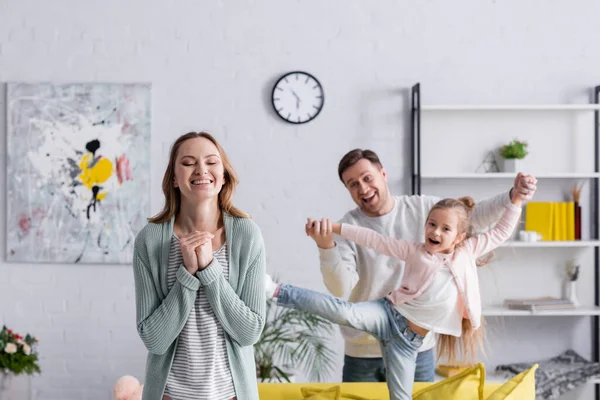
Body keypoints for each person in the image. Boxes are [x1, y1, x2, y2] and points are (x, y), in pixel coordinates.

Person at [268, 191, 527, 400]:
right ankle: (276, 290)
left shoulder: (467, 252)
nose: (435, 232)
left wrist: (515, 200)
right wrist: (336, 227)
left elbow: (500, 232)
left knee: (401, 397)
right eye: (431, 224)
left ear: (459, 237)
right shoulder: (414, 251)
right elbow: (372, 239)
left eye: (445, 229)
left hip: (408, 343)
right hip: (387, 315)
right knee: (343, 311)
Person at [307, 149, 537, 383]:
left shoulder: (424, 209)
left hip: (417, 346)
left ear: (383, 173)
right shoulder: (348, 226)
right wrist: (326, 247)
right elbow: (341, 288)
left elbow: (474, 216)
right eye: (353, 184)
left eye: (367, 178)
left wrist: (513, 197)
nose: (363, 189)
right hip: (364, 352)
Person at [132, 132, 266, 400]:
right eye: (188, 162)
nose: (201, 170)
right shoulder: (150, 239)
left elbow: (249, 331)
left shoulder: (246, 235)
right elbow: (154, 340)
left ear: (224, 174)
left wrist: (208, 269)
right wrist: (187, 276)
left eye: (211, 162)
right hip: (169, 395)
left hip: (231, 394)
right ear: (174, 177)